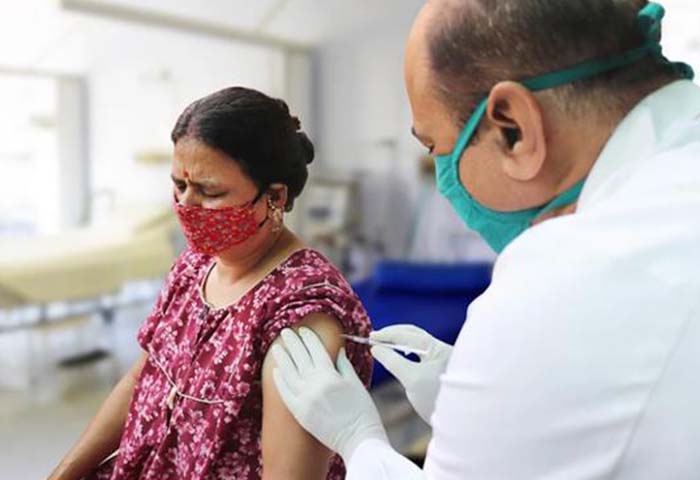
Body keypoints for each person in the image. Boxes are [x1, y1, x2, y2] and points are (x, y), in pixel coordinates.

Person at [271, 1, 700, 479]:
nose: (442, 178)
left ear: (513, 128)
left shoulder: (564, 280)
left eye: (434, 147)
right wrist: (476, 396)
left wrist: (359, 442)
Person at [47, 87, 373, 480]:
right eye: (179, 186)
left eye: (209, 191)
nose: (186, 205)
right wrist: (64, 473)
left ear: (273, 196)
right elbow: (146, 376)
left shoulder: (300, 316)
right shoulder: (194, 266)